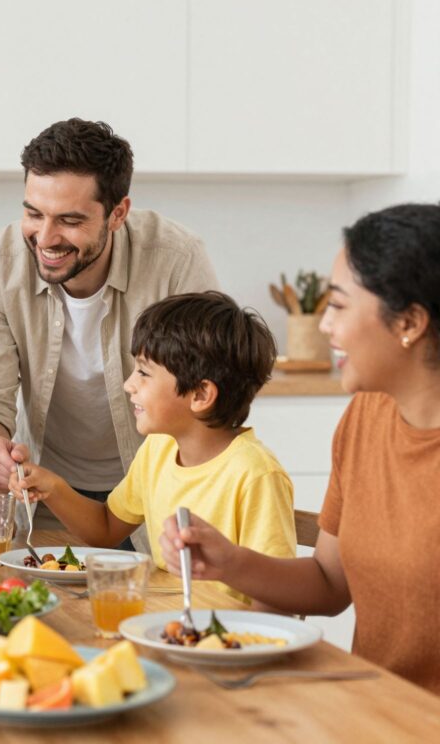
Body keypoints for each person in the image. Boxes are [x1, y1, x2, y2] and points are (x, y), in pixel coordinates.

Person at [161, 203, 440, 694]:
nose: (325, 326)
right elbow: (329, 584)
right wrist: (228, 562)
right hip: (371, 708)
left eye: (337, 305)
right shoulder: (365, 418)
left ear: (409, 323)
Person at [0, 118, 218, 543]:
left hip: (157, 492)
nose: (46, 238)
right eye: (33, 213)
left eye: (70, 220)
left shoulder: (176, 260)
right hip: (50, 491)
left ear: (118, 214)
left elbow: (205, 398)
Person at [11, 292, 296, 601]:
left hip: (228, 640)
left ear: (200, 395)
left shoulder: (255, 475)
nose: (128, 384)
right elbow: (106, 529)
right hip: (164, 622)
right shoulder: (158, 449)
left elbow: (279, 597)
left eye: (144, 373)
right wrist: (51, 487)